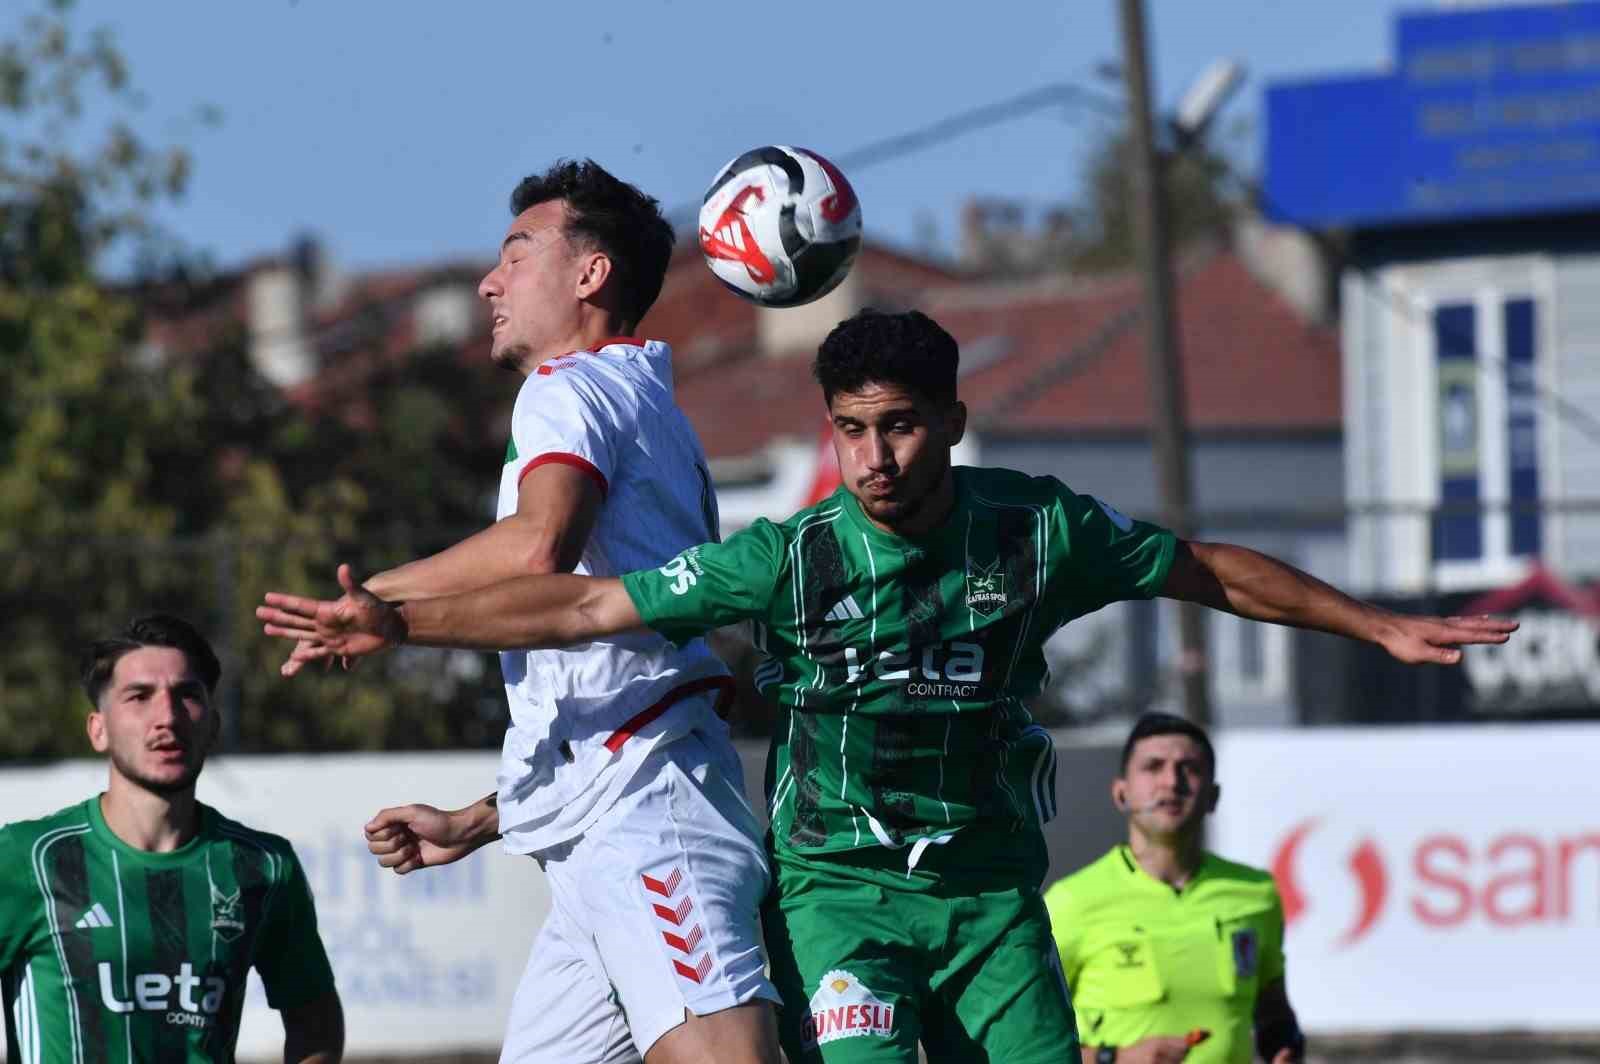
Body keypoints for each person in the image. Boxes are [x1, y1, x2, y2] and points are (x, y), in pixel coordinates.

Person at [259, 309, 1515, 1063]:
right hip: (839, 894)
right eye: (852, 428)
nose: (873, 457)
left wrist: (1377, 624)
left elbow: (1203, 570)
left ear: (954, 420)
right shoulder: (790, 553)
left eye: (902, 426)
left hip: (984, 890)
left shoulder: (1035, 531)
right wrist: (402, 619)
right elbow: (590, 602)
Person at [274, 159, 780, 1064]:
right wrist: (481, 818)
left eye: (515, 253)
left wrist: (385, 605)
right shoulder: (650, 408)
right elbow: (619, 683)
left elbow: (537, 546)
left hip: (648, 829)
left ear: (591, 275)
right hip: (606, 830)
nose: (488, 280)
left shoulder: (570, 387)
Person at [0, 614, 344, 1063]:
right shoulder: (29, 860)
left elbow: (314, 1021)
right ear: (98, 729)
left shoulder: (262, 865)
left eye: (187, 695)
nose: (167, 717)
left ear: (213, 725)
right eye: (139, 697)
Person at [1046, 713, 1303, 1064]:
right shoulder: (1069, 902)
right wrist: (1114, 1059)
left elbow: (1273, 1011)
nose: (1171, 781)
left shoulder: (1257, 893)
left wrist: (1285, 1048)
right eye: (1153, 767)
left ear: (1213, 796)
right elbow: (1027, 1045)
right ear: (1121, 793)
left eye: (1189, 768)